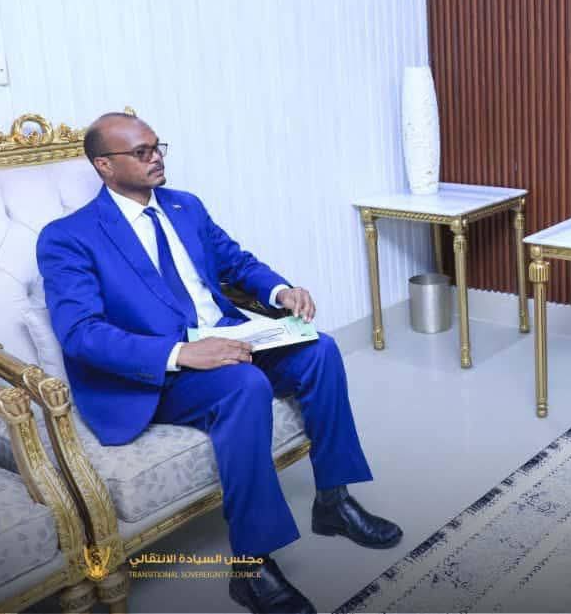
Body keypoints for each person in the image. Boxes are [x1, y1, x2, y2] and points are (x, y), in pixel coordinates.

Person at [37, 113, 402, 614]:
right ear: (104, 165)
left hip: (226, 338)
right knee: (244, 384)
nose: (157, 157)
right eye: (141, 152)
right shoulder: (69, 236)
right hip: (160, 374)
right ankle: (252, 568)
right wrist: (181, 353)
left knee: (319, 349)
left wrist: (280, 290)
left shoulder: (184, 206)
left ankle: (333, 502)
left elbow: (237, 262)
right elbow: (81, 334)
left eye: (157, 146)